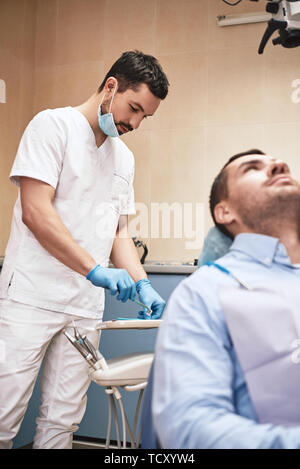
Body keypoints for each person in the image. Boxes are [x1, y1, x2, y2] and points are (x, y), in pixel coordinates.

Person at [0, 50, 169, 449]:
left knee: (63, 419)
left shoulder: (123, 159)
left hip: (83, 308)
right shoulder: (52, 126)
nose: (135, 123)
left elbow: (119, 234)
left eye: (146, 116)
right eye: (134, 108)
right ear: (111, 86)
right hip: (32, 296)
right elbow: (36, 213)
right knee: (4, 412)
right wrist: (95, 269)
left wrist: (142, 282)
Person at [152, 149, 300, 449]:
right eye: (252, 168)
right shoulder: (205, 293)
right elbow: (190, 430)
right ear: (225, 212)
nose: (277, 165)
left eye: (277, 163)